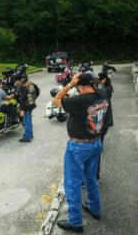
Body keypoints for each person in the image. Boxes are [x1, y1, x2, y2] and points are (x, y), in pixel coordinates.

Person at [53, 73, 108, 232]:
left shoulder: (80, 100)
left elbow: (56, 99)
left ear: (81, 86)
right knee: (90, 178)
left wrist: (70, 84)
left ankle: (75, 222)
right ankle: (94, 208)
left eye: (78, 87)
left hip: (79, 146)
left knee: (72, 183)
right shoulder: (101, 95)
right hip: (95, 142)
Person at [96, 72, 113, 180]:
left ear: (103, 79)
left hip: (102, 123)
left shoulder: (103, 90)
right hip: (105, 122)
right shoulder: (107, 88)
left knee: (97, 148)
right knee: (100, 143)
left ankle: (96, 175)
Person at [15, 76, 39, 142]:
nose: (16, 82)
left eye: (17, 81)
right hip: (31, 105)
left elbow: (21, 99)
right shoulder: (29, 84)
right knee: (29, 121)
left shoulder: (23, 87)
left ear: (19, 80)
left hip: (26, 107)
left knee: (26, 122)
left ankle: (27, 137)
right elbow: (37, 93)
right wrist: (35, 85)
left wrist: (22, 110)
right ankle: (30, 134)